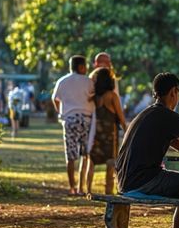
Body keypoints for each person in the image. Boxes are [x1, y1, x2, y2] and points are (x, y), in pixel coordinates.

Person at [115, 72, 179, 228]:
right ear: (173, 92)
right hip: (141, 180)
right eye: (178, 94)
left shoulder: (147, 114)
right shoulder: (168, 116)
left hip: (125, 179)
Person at [52, 55, 95, 195]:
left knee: (70, 155)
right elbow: (94, 96)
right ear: (81, 67)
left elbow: (55, 99)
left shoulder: (62, 81)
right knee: (86, 154)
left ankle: (72, 187)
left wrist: (60, 113)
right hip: (86, 119)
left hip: (70, 119)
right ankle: (83, 187)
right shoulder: (88, 81)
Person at [87, 67, 127, 194]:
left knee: (91, 161)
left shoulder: (94, 98)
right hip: (110, 135)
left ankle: (88, 190)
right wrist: (127, 132)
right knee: (110, 164)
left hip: (95, 134)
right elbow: (121, 117)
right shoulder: (112, 96)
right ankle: (108, 192)